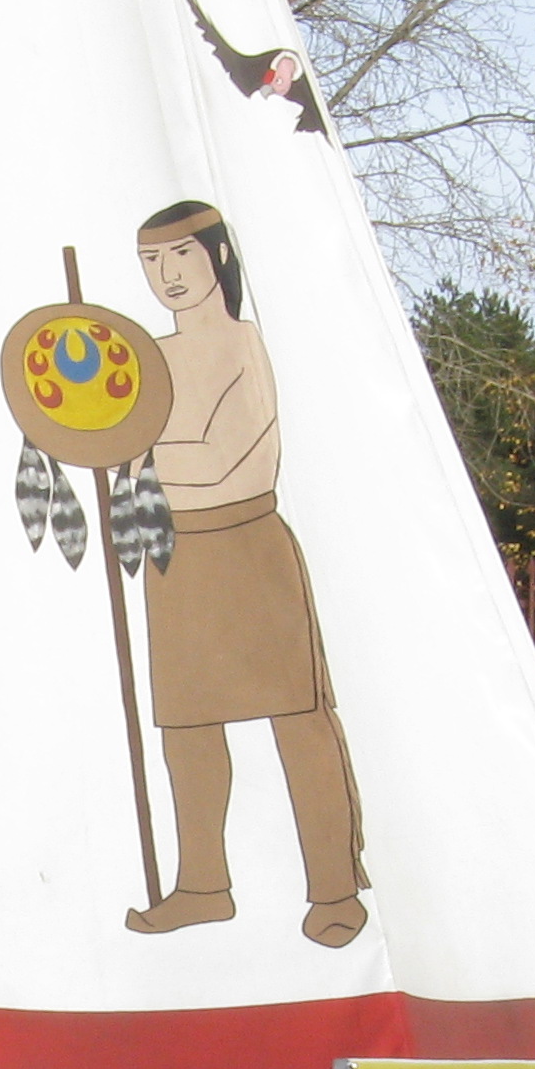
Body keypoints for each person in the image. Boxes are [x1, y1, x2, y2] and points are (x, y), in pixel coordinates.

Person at [125, 199, 368, 948]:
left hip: (248, 542)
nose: (168, 274)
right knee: (187, 727)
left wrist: (140, 453)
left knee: (298, 718)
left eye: (182, 255)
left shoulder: (244, 345)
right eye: (152, 261)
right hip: (176, 553)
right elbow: (119, 449)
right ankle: (203, 885)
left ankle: (334, 889)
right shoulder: (148, 357)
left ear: (218, 256)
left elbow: (224, 457)